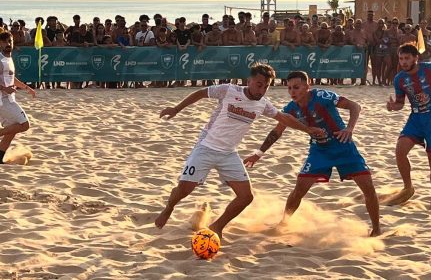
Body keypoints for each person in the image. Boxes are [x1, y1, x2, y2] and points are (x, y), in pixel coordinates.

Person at [154, 64, 326, 239]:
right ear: (249, 81)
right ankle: (169, 208)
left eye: (266, 86)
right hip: (206, 147)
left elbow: (285, 118)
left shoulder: (263, 104)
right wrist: (176, 109)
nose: (262, 89)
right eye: (259, 84)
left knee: (246, 197)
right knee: (184, 190)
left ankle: (217, 226)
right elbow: (200, 93)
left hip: (228, 154)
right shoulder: (228, 90)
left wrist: (308, 130)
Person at [243, 71, 381, 236]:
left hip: (344, 147)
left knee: (368, 187)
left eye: (296, 87)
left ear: (307, 87)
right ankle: (283, 223)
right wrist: (258, 153)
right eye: (289, 88)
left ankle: (377, 229)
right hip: (319, 151)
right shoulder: (291, 108)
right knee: (300, 188)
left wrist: (349, 128)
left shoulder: (322, 96)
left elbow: (355, 106)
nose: (292, 92)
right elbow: (276, 132)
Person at [386, 43, 431, 209]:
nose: (403, 62)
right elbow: (400, 103)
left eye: (407, 58)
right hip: (415, 118)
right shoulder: (399, 79)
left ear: (416, 58)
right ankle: (408, 187)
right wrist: (393, 106)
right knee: (400, 150)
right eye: (401, 58)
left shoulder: (430, 68)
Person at [0, 32, 36, 164]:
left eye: (10, 41)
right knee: (25, 125)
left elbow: (12, 78)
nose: (8, 44)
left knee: (10, 133)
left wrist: (26, 88)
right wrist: (3, 88)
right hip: (3, 100)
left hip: (7, 99)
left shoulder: (8, 58)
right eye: (5, 42)